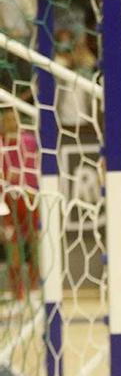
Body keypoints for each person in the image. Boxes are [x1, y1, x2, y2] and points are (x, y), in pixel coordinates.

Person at [0, 109, 39, 300]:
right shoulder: (0, 142)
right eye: (7, 119)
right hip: (8, 200)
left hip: (30, 197)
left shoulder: (30, 140)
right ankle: (18, 292)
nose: (11, 122)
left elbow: (36, 165)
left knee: (34, 242)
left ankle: (34, 288)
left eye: (14, 118)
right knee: (13, 245)